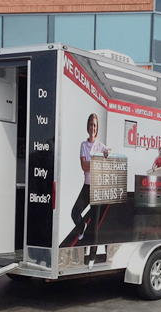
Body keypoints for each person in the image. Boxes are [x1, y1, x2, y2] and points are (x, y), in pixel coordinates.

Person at [71, 113, 109, 268]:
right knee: (75, 213)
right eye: (91, 124)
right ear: (87, 126)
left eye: (95, 125)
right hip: (87, 186)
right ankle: (81, 227)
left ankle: (92, 257)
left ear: (97, 128)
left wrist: (101, 157)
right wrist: (97, 161)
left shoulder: (101, 146)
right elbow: (83, 167)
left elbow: (107, 156)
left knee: (95, 224)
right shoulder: (83, 145)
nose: (92, 127)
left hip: (98, 187)